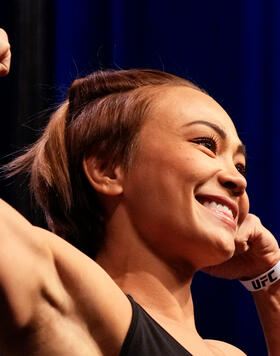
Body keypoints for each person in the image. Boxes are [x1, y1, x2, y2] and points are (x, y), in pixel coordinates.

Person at [0, 28, 280, 356]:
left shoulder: (228, 353)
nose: (238, 180)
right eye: (205, 144)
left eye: (240, 165)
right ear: (107, 169)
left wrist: (269, 279)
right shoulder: (80, 309)